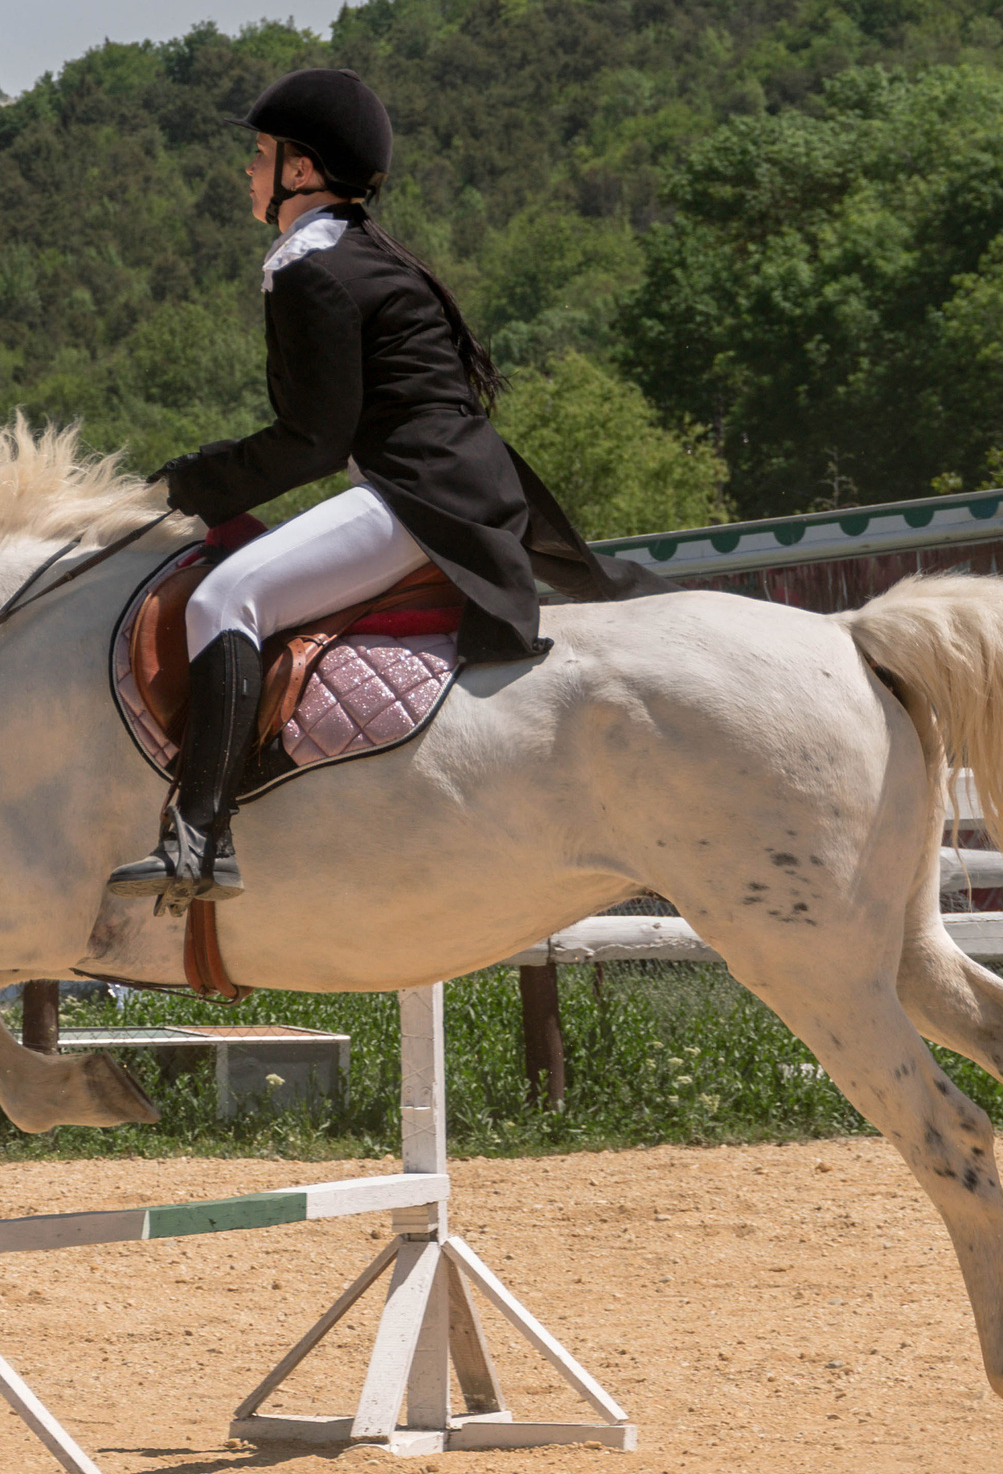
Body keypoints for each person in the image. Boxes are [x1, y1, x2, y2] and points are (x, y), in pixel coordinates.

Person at [108, 67, 672, 907]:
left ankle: (199, 836)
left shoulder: (313, 269)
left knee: (222, 600)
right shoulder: (356, 253)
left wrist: (197, 483)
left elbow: (314, 438)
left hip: (422, 496)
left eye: (262, 155)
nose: (249, 170)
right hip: (449, 481)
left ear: (302, 172)